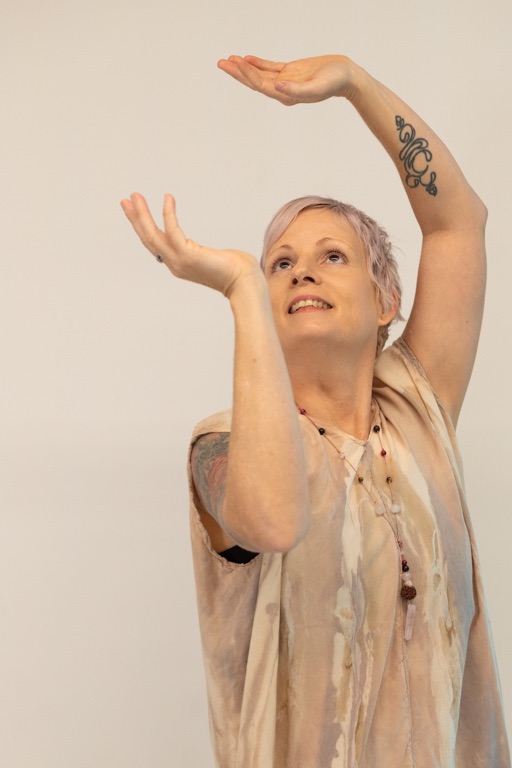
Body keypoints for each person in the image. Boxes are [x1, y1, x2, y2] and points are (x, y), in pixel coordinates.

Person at [121, 55, 510, 768]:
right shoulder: (220, 446)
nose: (302, 268)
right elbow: (272, 520)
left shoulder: (417, 408)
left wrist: (356, 83)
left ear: (386, 301)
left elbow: (459, 222)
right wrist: (240, 286)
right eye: (281, 263)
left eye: (334, 256)